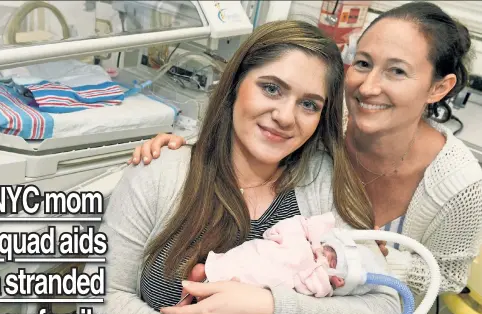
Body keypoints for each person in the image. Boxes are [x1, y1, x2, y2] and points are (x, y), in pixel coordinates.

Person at [82, 20, 401, 314]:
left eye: (309, 104)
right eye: (272, 88)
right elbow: (100, 304)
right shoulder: (161, 171)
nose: (285, 116)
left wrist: (269, 313)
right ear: (235, 84)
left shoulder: (325, 187)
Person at [130, 2, 482, 297]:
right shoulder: (323, 117)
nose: (368, 86)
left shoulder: (459, 184)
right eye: (362, 63)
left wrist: (368, 258)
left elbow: (448, 277)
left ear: (439, 88)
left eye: (397, 72)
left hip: (368, 308)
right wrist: (186, 149)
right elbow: (253, 132)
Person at [204, 212, 387, 298]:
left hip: (263, 280)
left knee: (240, 290)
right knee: (242, 259)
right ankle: (209, 273)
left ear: (339, 281)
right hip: (260, 253)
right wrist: (313, 242)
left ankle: (208, 287)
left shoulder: (320, 280)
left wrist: (322, 273)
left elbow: (306, 287)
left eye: (334, 259)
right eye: (330, 248)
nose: (327, 252)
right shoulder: (306, 241)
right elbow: (286, 228)